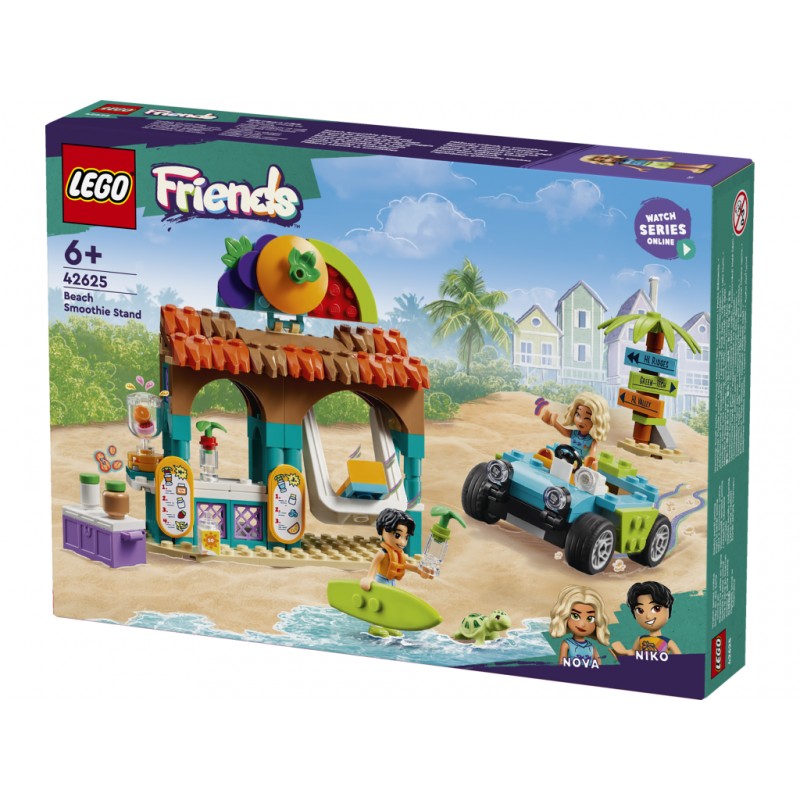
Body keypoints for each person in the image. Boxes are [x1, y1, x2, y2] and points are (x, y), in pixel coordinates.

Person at [360, 508, 433, 591]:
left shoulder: (398, 554)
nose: (402, 542)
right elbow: (374, 564)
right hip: (381, 581)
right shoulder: (383, 553)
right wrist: (369, 578)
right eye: (397, 535)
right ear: (383, 530)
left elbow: (404, 564)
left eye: (406, 537)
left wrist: (418, 570)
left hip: (392, 582)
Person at [540, 391, 610, 469]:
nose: (580, 421)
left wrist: (591, 461)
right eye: (578, 414)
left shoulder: (591, 440)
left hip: (580, 466)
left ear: (596, 421)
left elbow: (592, 455)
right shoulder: (574, 434)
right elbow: (564, 431)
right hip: (568, 460)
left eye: (587, 418)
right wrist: (554, 423)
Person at [611, 580, 681, 656]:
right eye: (640, 610)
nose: (648, 616)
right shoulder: (641, 639)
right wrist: (625, 653)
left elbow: (679, 658)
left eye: (656, 608)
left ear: (668, 610)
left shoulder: (667, 642)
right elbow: (633, 652)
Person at [549, 585, 611, 667]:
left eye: (590, 618)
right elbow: (562, 664)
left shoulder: (591, 647)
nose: (583, 624)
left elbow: (599, 664)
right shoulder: (566, 644)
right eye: (575, 616)